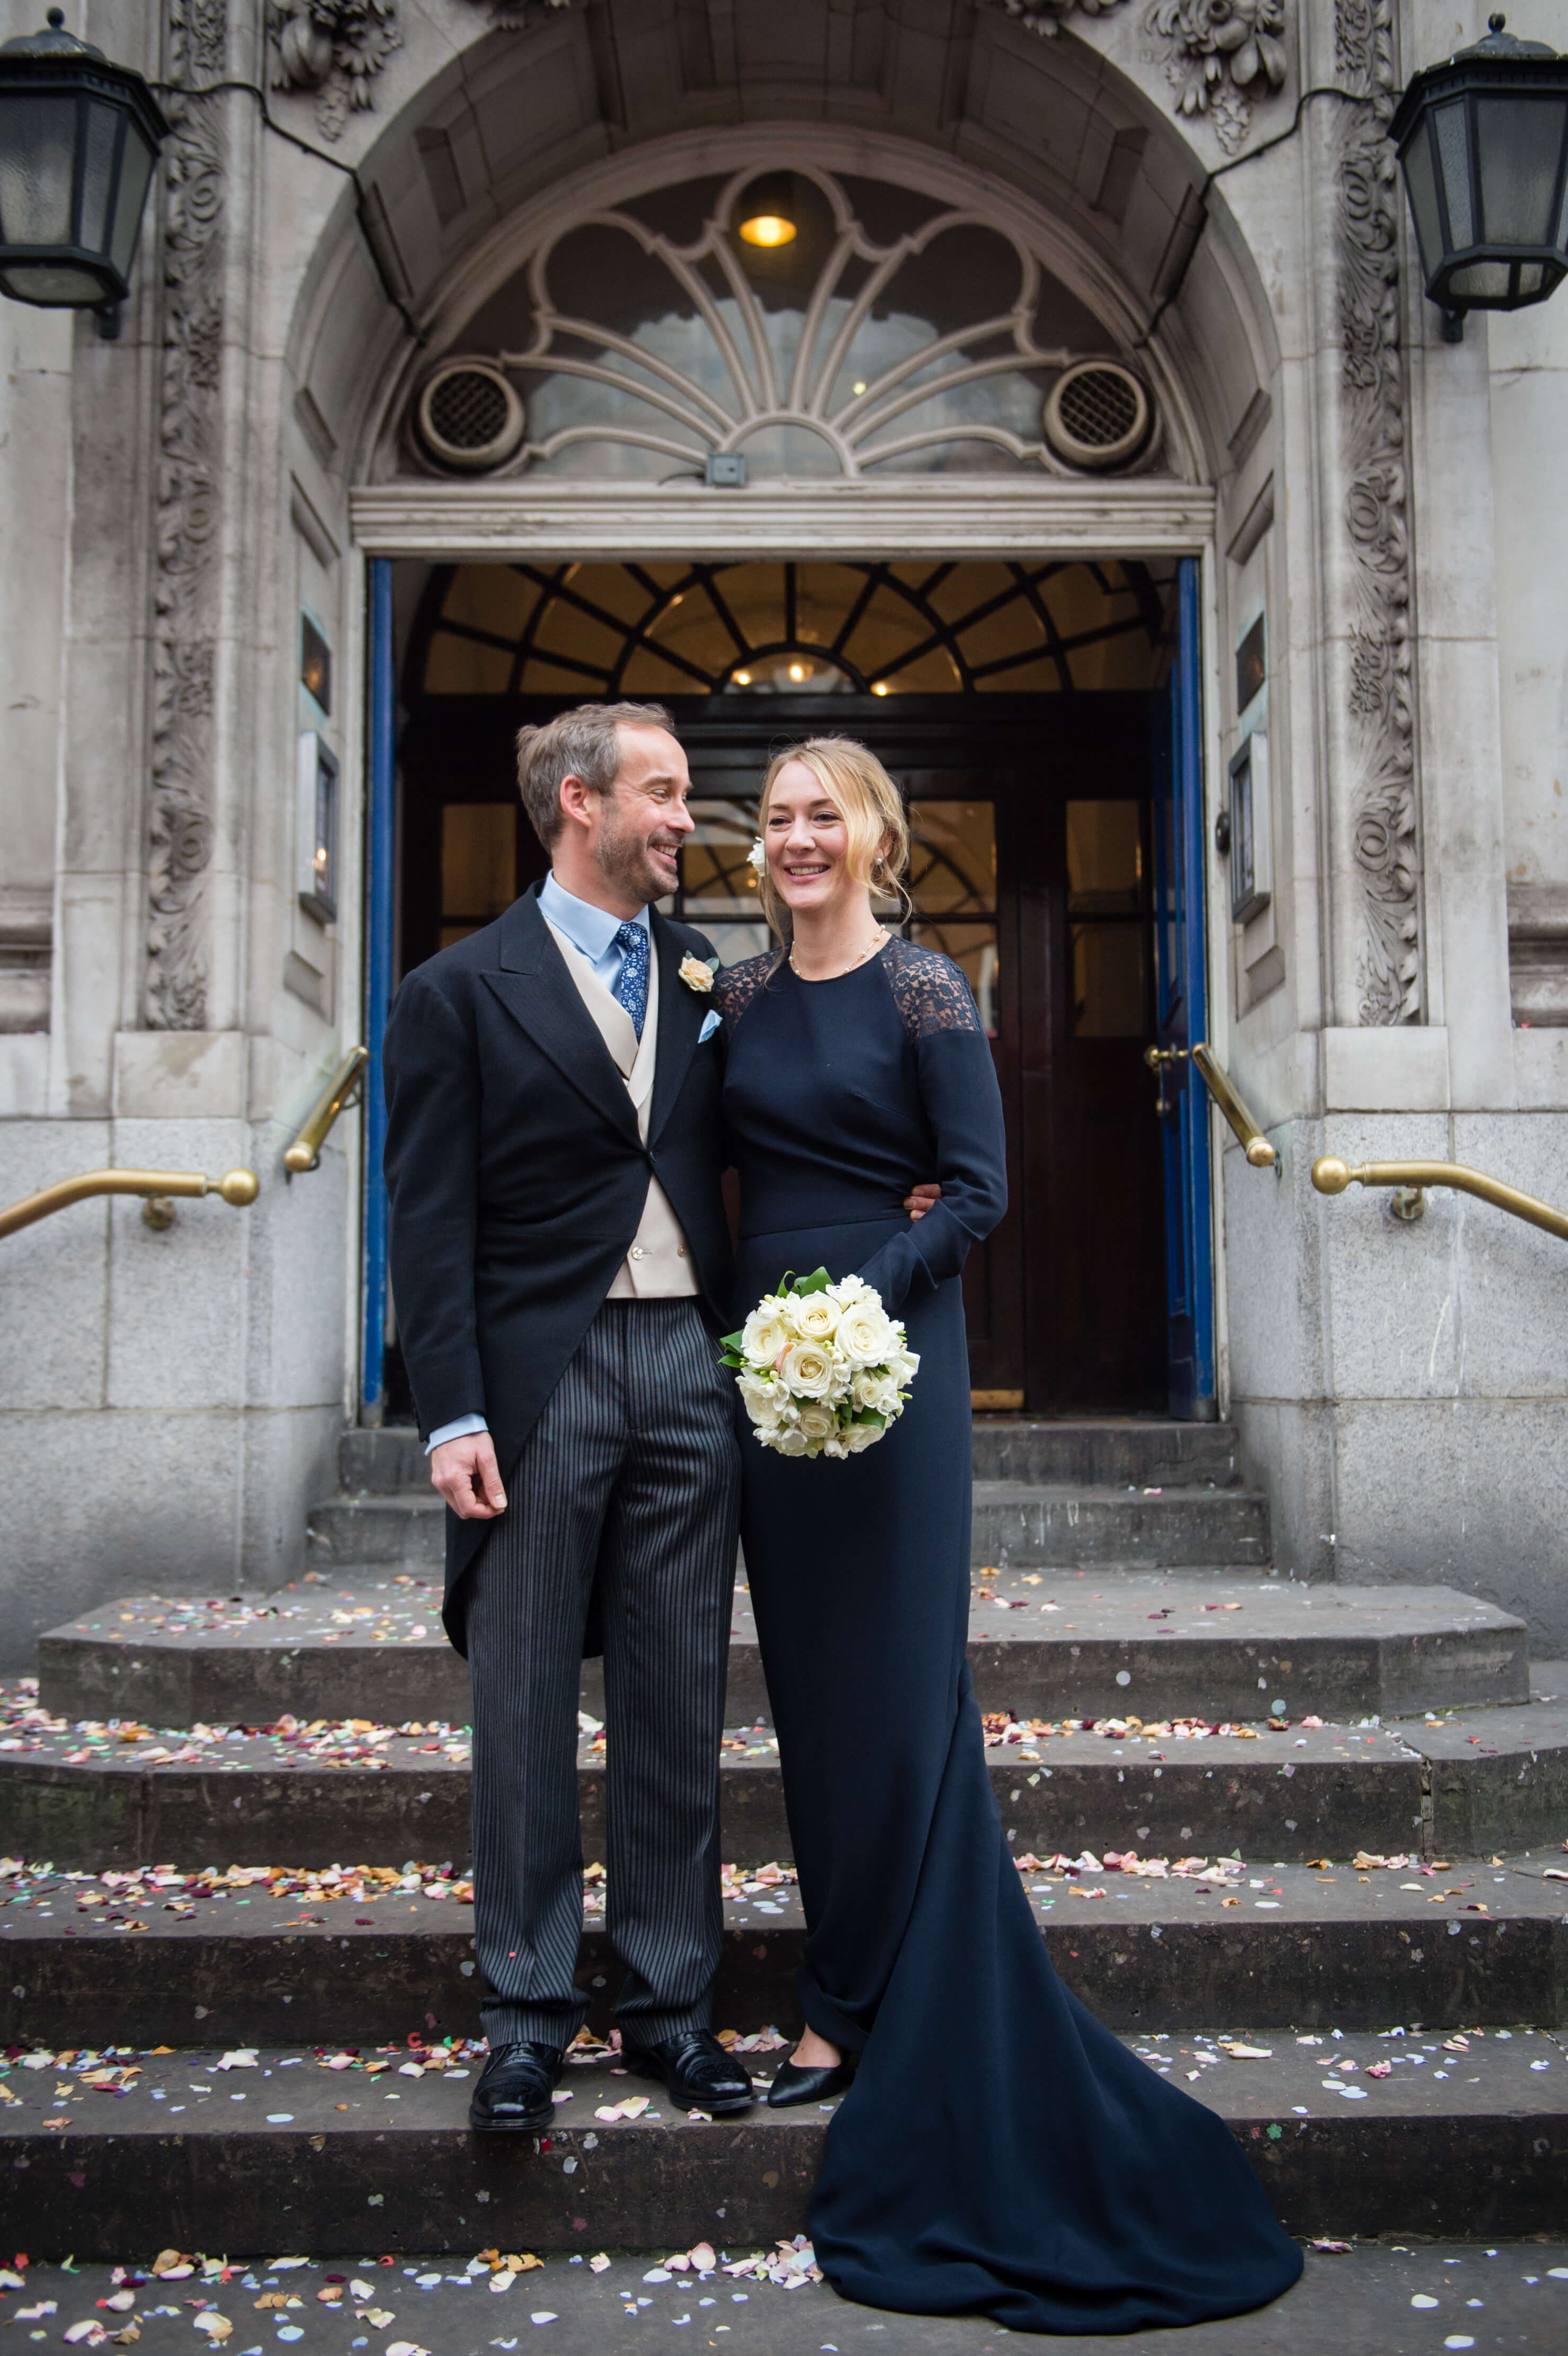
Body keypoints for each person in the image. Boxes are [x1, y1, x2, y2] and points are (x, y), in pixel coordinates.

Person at [712, 737, 1304, 2335]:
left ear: (878, 831)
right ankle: (843, 1997)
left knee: (901, 1694)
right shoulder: (740, 1007)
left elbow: (977, 1191)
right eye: (775, 820)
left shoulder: (931, 994)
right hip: (770, 1367)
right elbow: (717, 1178)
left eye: (823, 813)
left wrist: (858, 1300)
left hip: (887, 1365)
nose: (797, 838)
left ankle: (865, 2010)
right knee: (819, 1703)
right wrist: (748, 1337)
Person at [382, 700, 752, 2131]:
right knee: (526, 1701)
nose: (686, 819)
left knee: (676, 1700)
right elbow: (430, 1212)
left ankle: (670, 2006)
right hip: (541, 1380)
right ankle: (527, 2015)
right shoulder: (458, 989)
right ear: (581, 803)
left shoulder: (707, 973)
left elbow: (785, 1115)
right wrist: (450, 1410)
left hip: (688, 1371)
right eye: (664, 793)